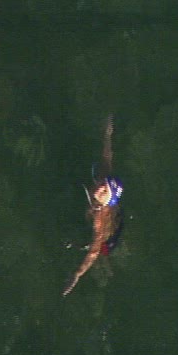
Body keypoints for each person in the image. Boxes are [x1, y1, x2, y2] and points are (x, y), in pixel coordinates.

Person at [64, 115, 124, 296]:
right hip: (111, 211)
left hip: (106, 237)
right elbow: (107, 155)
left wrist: (77, 274)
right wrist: (107, 133)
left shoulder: (99, 219)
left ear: (107, 201)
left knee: (99, 248)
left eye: (104, 191)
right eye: (103, 184)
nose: (99, 188)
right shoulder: (102, 175)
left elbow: (93, 251)